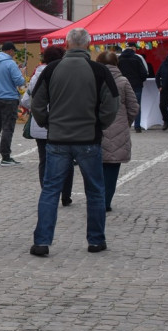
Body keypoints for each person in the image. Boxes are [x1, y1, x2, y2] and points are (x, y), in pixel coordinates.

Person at [29, 28, 119, 257]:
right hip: (89, 137)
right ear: (88, 46)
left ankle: (42, 241)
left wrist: (48, 122)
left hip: (58, 137)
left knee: (50, 190)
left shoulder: (52, 69)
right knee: (95, 191)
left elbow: (36, 102)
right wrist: (99, 124)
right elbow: (112, 104)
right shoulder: (99, 70)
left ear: (66, 44)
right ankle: (96, 240)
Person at [22, 46, 74, 206]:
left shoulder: (36, 76)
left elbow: (25, 101)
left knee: (44, 160)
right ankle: (65, 195)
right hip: (63, 123)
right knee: (66, 159)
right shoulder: (67, 73)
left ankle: (47, 193)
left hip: (41, 123)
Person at [96, 51, 139, 212]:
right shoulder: (123, 81)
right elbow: (134, 107)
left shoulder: (93, 80)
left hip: (96, 129)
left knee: (96, 169)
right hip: (118, 128)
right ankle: (106, 201)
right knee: (112, 169)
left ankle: (96, 199)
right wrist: (125, 123)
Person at [0, 41, 26, 165]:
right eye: (13, 52)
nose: (14, 54)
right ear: (10, 50)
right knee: (7, 128)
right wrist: (22, 73)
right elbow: (19, 81)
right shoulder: (10, 63)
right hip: (9, 98)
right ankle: (5, 156)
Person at [117, 42, 149, 132]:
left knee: (123, 106)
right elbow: (144, 73)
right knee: (136, 105)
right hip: (136, 85)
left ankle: (124, 126)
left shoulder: (119, 59)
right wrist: (140, 81)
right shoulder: (137, 58)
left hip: (122, 85)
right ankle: (137, 126)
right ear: (133, 49)